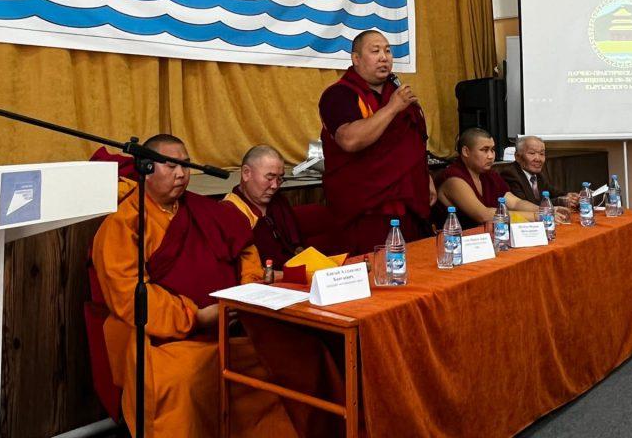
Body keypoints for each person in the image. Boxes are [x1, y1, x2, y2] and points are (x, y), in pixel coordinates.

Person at [91, 134, 292, 437]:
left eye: (185, 165)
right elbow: (129, 294)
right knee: (183, 380)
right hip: (165, 339)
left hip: (229, 325)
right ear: (146, 170)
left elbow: (244, 249)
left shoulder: (204, 209)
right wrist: (196, 316)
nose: (181, 174)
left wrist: (247, 291)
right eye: (171, 166)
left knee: (281, 361)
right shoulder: (124, 223)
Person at [318, 30, 434, 254]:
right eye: (375, 51)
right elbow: (349, 140)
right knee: (374, 269)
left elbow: (413, 145)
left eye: (388, 51)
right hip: (365, 212)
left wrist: (425, 177)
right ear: (356, 58)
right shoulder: (338, 95)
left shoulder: (398, 95)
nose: (384, 57)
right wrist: (392, 108)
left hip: (410, 205)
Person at [224, 145, 304, 274]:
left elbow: (296, 246)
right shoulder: (230, 211)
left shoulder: (279, 202)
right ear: (246, 173)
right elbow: (242, 271)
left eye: (280, 178)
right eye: (269, 178)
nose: (275, 185)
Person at [437, 128, 540, 229]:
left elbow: (515, 203)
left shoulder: (489, 175)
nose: (491, 156)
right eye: (484, 150)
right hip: (453, 238)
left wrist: (544, 210)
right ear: (466, 151)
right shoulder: (453, 178)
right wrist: (535, 217)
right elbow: (483, 215)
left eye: (492, 150)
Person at [497, 135, 580, 208]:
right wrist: (559, 201)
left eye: (541, 154)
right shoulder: (510, 174)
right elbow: (527, 205)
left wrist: (569, 196)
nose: (538, 159)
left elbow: (553, 193)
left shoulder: (537, 174)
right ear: (518, 157)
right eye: (532, 153)